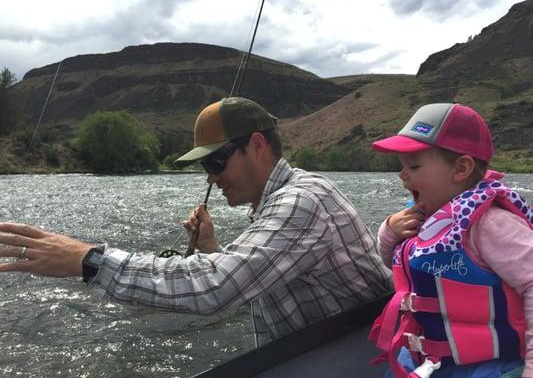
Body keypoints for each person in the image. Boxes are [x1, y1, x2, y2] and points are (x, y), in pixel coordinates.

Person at [0, 96, 391, 346]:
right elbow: (253, 279)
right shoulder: (281, 202)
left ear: (256, 145)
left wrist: (90, 260)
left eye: (215, 161)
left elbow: (214, 288)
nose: (211, 177)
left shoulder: (303, 201)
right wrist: (213, 251)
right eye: (206, 166)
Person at [368, 103, 533, 378]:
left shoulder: (490, 223)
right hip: (428, 361)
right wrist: (390, 233)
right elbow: (401, 266)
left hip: (489, 366)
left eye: (414, 165)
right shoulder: (426, 217)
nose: (402, 174)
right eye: (402, 166)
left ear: (461, 169)